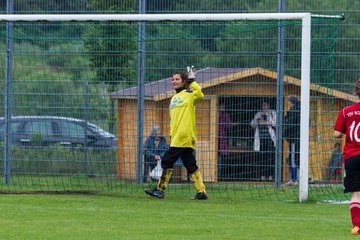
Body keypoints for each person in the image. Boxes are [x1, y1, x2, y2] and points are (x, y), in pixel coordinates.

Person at [145, 66, 208, 200]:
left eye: (177, 79)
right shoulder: (174, 98)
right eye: (173, 79)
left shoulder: (190, 94)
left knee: (167, 160)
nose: (174, 81)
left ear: (184, 81)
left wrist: (192, 80)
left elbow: (200, 95)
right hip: (177, 136)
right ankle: (201, 191)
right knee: (190, 163)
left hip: (184, 135)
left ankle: (160, 190)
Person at [334, 80, 360, 235]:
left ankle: (356, 225)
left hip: (351, 156)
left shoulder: (346, 111)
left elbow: (337, 134)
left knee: (356, 192)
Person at [250, 99, 276, 181]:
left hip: (270, 140)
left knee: (270, 158)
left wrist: (267, 122)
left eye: (265, 105)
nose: (264, 106)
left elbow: (276, 124)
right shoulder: (258, 114)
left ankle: (271, 175)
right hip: (261, 140)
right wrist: (256, 120)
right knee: (262, 158)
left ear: (268, 105)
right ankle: (263, 175)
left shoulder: (273, 113)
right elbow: (252, 125)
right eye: (262, 105)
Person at [284, 95, 301, 186]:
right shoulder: (299, 110)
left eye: (289, 101)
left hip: (294, 138)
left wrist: (285, 134)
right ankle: (294, 179)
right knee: (294, 157)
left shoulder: (294, 111)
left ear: (291, 101)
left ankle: (295, 179)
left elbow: (290, 125)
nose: (288, 102)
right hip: (296, 138)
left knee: (294, 158)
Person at [218, 102, 237, 180]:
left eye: (223, 106)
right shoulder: (215, 114)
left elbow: (227, 125)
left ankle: (218, 176)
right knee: (216, 158)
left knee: (220, 159)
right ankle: (216, 175)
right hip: (215, 138)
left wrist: (231, 124)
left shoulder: (225, 115)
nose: (223, 107)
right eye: (221, 106)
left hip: (222, 139)